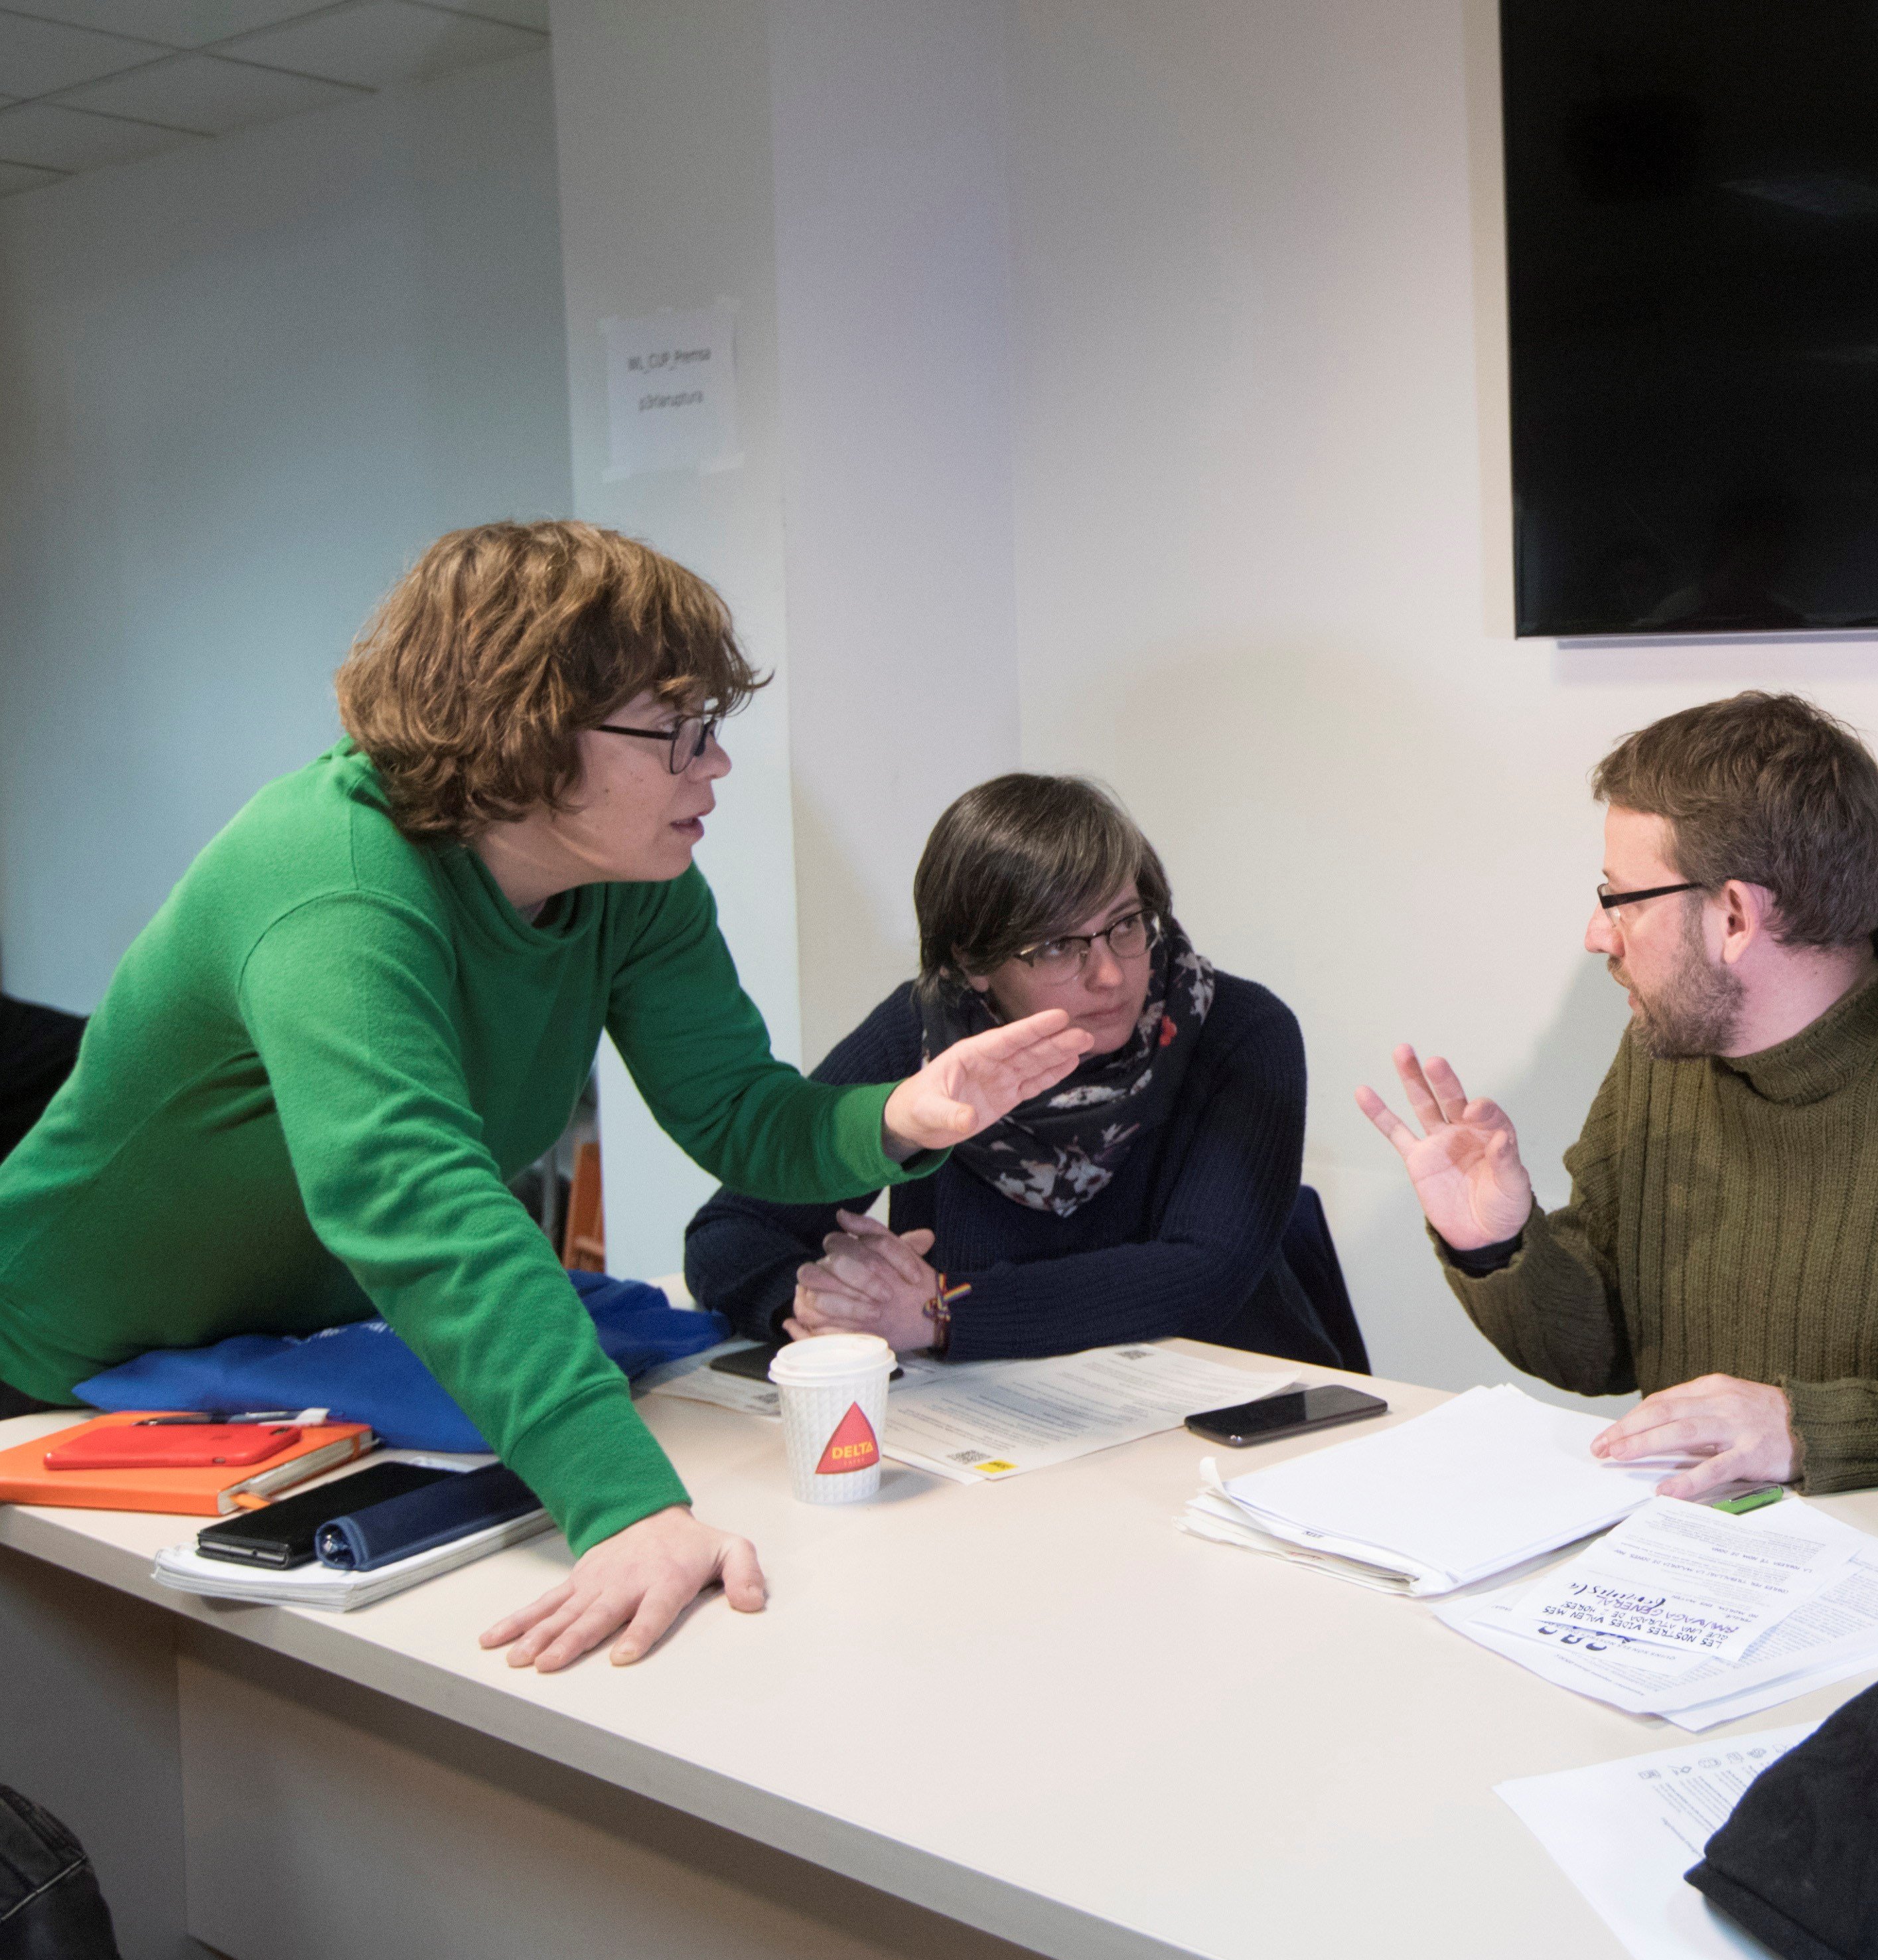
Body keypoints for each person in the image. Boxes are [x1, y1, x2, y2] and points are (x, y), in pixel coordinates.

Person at [0, 522, 1089, 1673]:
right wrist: (624, 1504)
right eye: (679, 732)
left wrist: (896, 1119)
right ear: (524, 732)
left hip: (291, 1368)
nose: (714, 764)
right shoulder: (330, 879)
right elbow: (417, 1203)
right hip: (57, 1379)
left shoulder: (634, 880)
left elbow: (733, 1110)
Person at [1357, 690, 1878, 1500]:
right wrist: (1500, 1246)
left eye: (1618, 898)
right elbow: (1601, 1351)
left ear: (1734, 916)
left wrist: (1811, 1430)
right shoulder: (1669, 1050)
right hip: (1700, 1561)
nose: (1597, 934)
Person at [684, 775, 1363, 1369]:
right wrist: (822, 1307)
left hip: (1232, 1419)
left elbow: (1200, 1275)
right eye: (1060, 946)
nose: (1111, 973)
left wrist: (942, 1313)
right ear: (975, 964)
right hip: (1003, 1427)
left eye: (1128, 924)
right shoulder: (926, 1035)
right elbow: (730, 1232)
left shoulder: (1239, 1030)